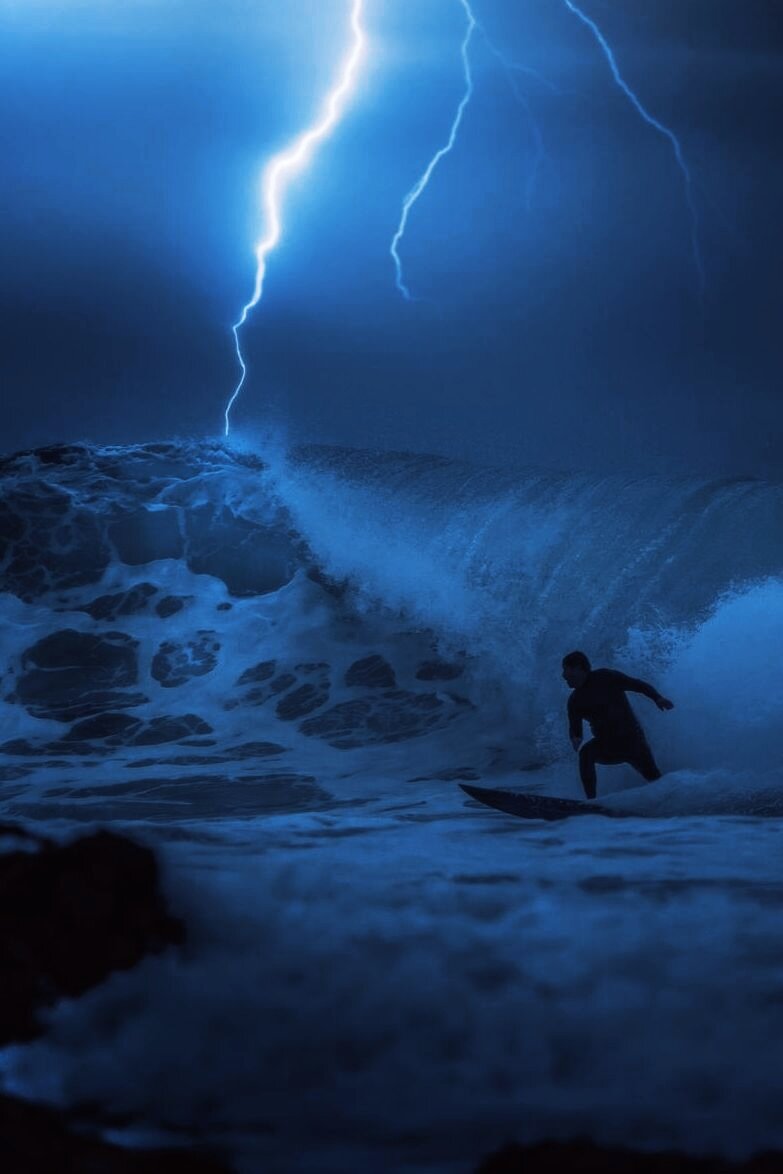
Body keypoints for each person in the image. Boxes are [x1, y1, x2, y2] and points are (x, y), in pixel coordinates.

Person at [561, 650, 674, 800]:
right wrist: (575, 738)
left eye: (566, 670)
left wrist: (658, 698)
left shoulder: (607, 677)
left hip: (633, 742)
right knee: (586, 754)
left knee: (655, 779)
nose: (564, 676)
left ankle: (672, 800)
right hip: (607, 746)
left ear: (578, 668)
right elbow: (575, 727)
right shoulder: (574, 700)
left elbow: (638, 685)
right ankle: (591, 802)